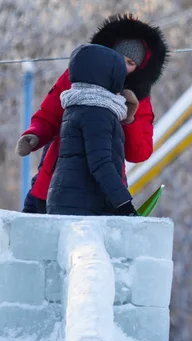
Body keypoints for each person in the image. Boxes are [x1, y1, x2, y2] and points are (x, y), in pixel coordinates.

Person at [16, 13, 168, 214]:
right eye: (118, 57)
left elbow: (139, 152)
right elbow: (49, 114)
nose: (122, 66)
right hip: (54, 184)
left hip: (101, 195)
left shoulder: (138, 100)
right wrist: (34, 135)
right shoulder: (75, 78)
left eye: (130, 62)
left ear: (138, 69)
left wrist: (128, 118)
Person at [46, 44, 137, 216]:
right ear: (108, 75)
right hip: (81, 207)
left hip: (72, 200)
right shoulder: (96, 112)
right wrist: (125, 205)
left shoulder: (78, 106)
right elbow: (101, 163)